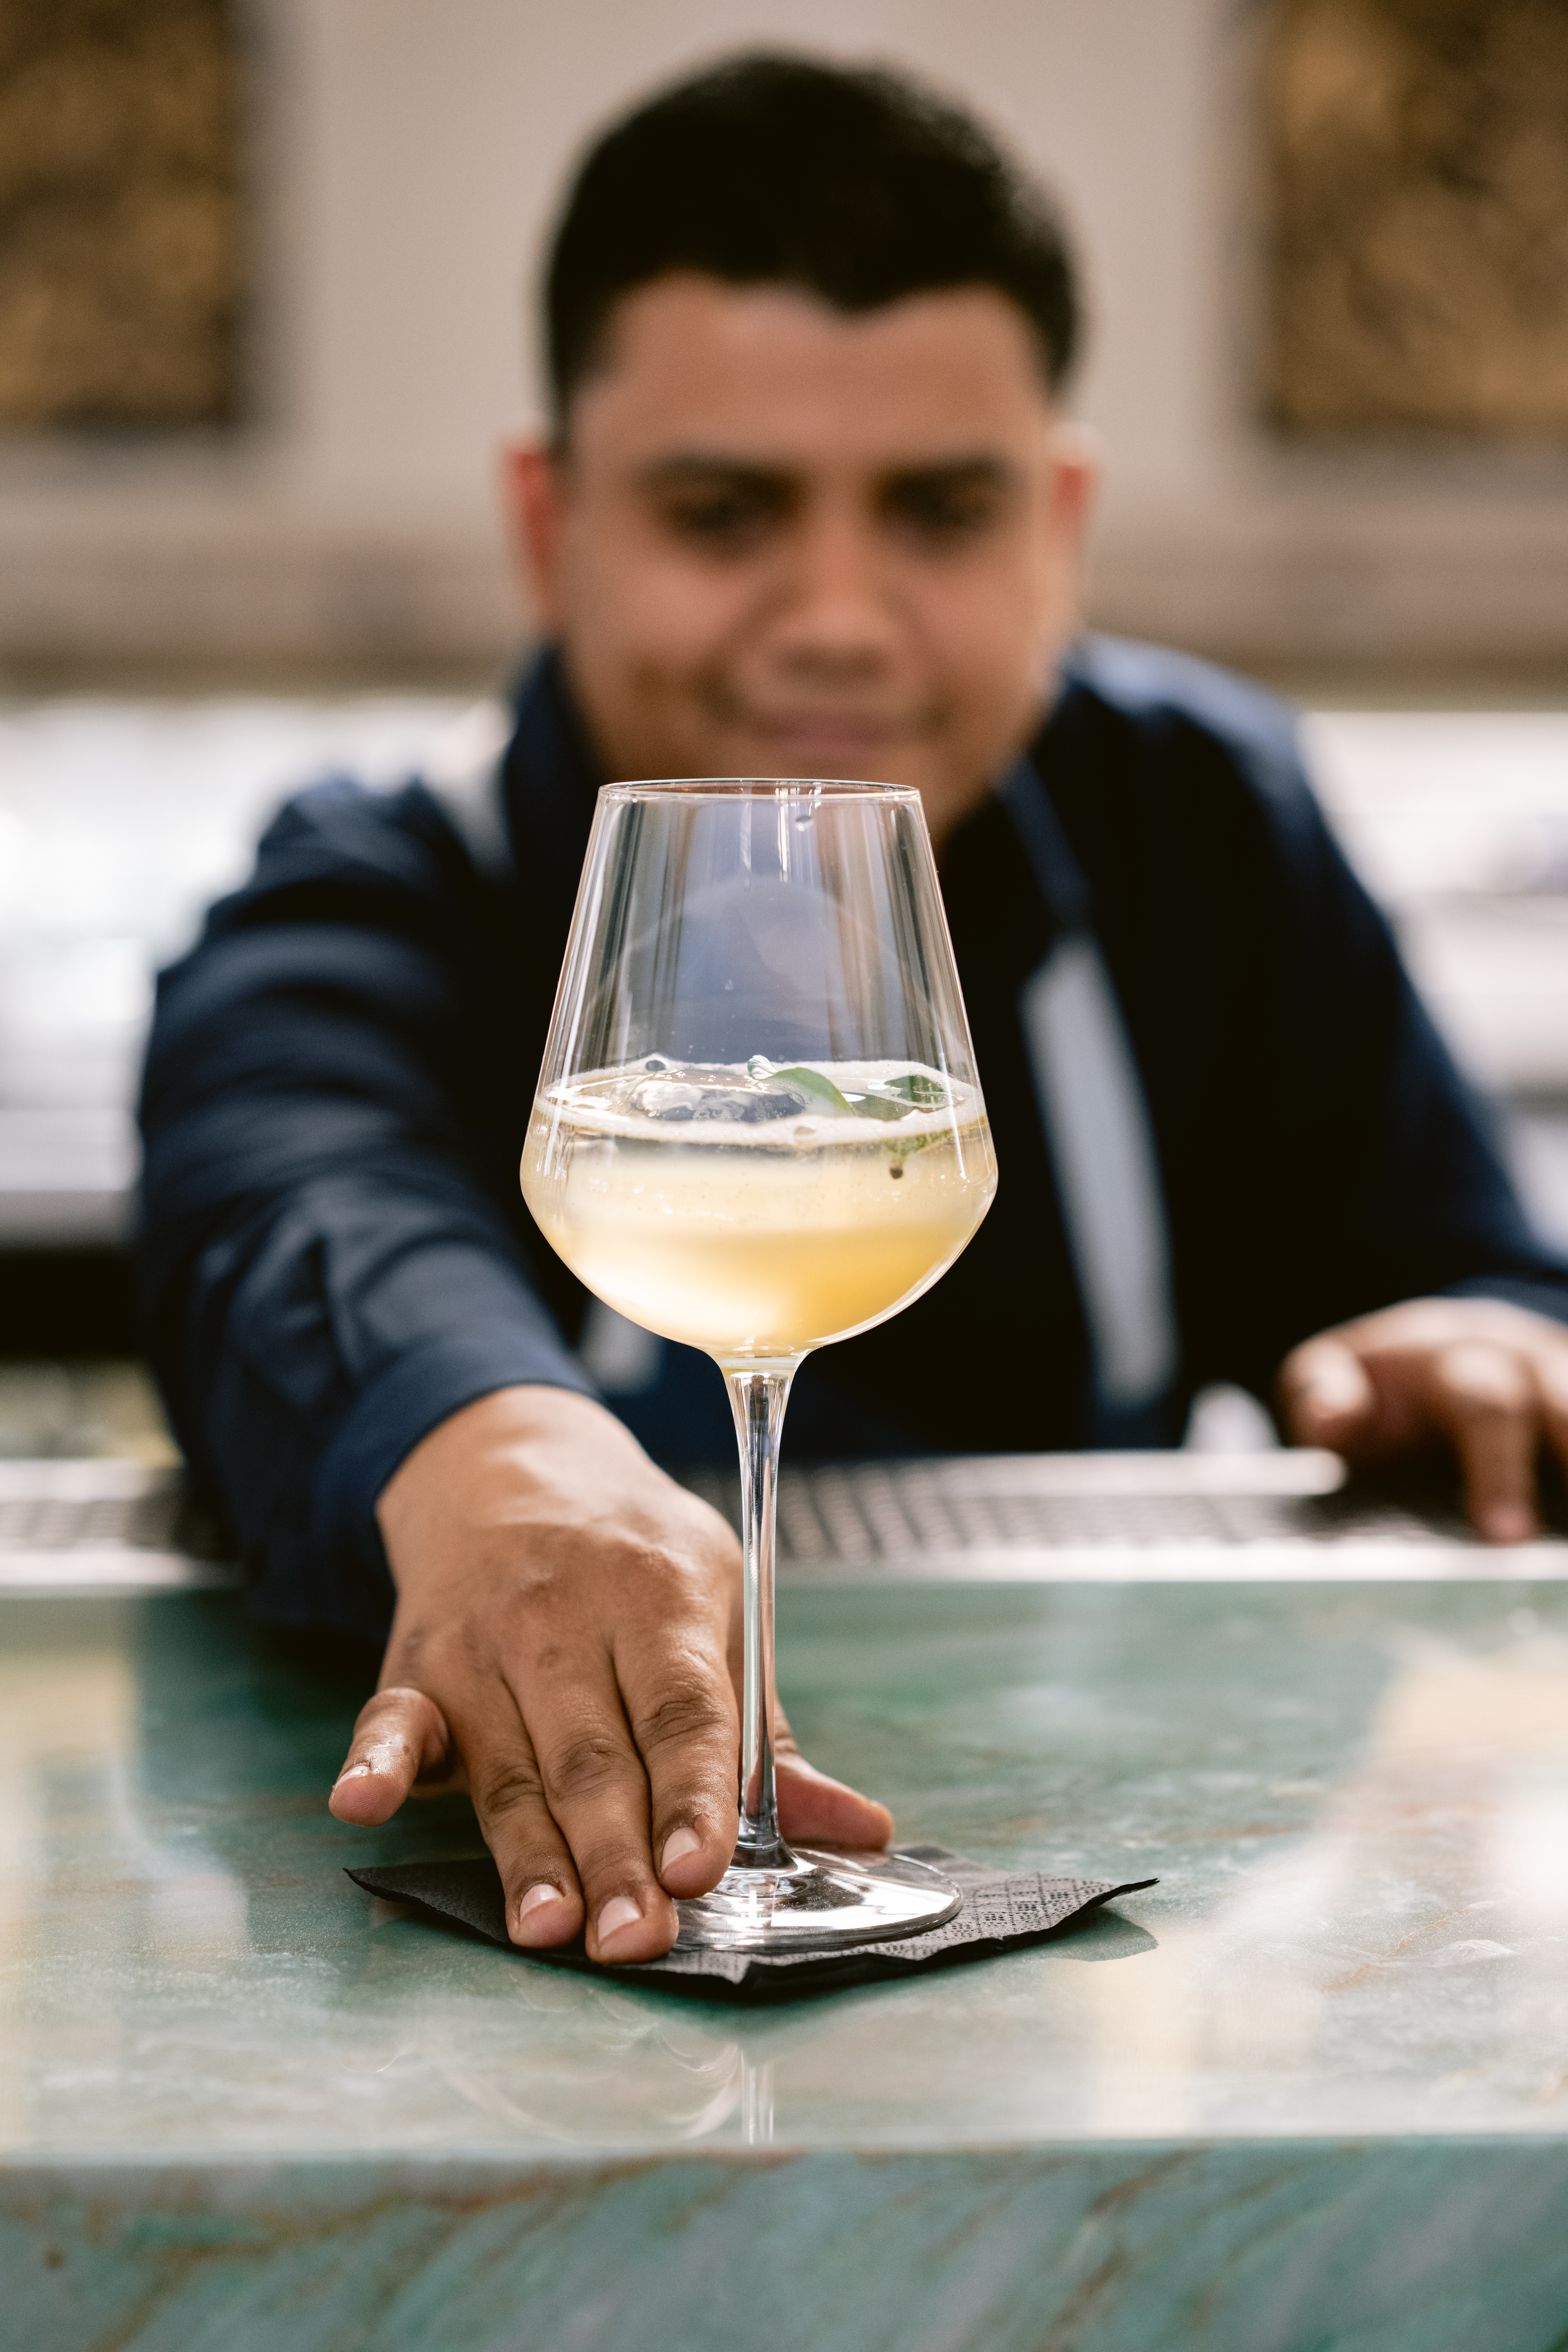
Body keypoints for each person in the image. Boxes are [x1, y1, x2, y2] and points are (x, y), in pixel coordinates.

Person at [139, 53, 1568, 1966]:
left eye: (939, 510)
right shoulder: (380, 890)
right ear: (547, 519)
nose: (837, 613)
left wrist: (1469, 1346)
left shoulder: (1201, 827)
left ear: (1058, 519)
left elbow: (1471, 1273)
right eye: (726, 514)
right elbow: (289, 1204)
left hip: (1090, 1893)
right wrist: (497, 1454)